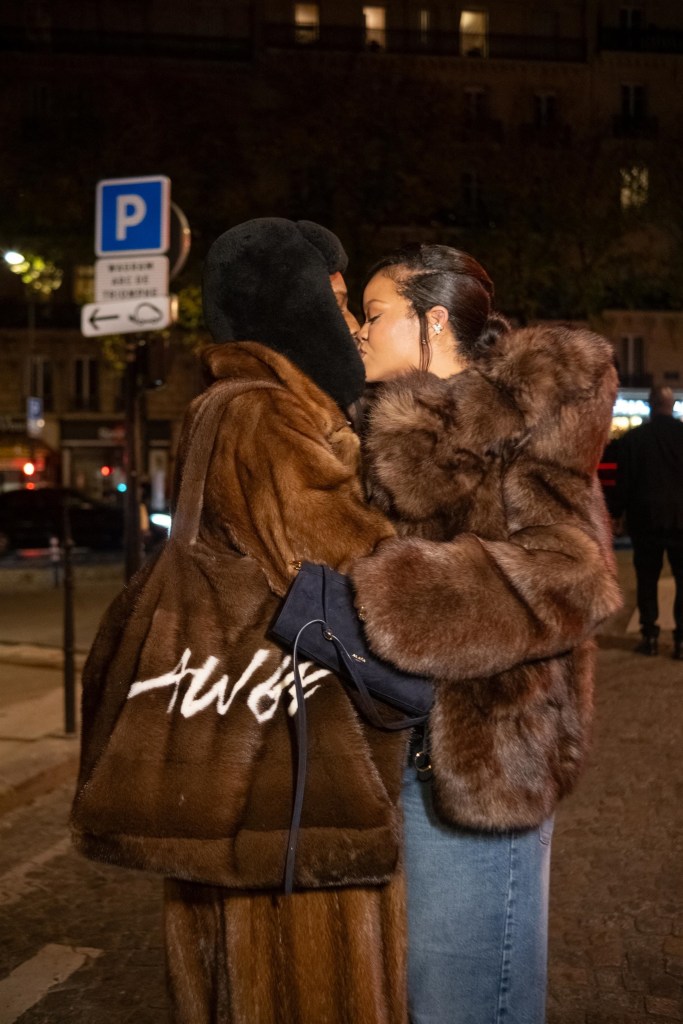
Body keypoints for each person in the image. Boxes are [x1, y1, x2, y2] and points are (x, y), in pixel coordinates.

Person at [76, 219, 408, 1024]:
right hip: (284, 770)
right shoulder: (266, 414)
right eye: (336, 301)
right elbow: (357, 560)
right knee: (299, 981)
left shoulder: (232, 405)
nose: (353, 325)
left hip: (244, 756)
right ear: (290, 307)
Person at [348, 244, 622, 1024]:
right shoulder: (372, 431)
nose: (358, 334)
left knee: (465, 1005)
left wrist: (394, 598)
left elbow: (574, 578)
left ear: (434, 320)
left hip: (483, 761)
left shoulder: (527, 418)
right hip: (381, 758)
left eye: (374, 316)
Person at [613, 385, 683, 658]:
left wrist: (616, 514)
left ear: (651, 406)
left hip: (646, 521)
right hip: (681, 521)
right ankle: (680, 641)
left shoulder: (634, 440)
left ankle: (650, 636)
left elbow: (623, 484)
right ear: (671, 405)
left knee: (647, 580)